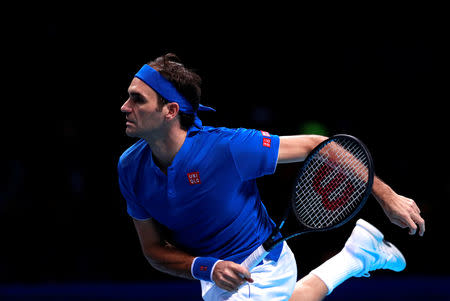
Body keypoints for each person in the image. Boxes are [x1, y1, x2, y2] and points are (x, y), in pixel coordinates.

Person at [117, 53, 425, 301]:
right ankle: (356, 255)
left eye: (137, 99)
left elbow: (315, 145)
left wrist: (387, 196)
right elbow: (154, 250)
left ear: (170, 110)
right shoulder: (130, 168)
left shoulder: (228, 148)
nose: (124, 107)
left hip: (264, 267)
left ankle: (356, 256)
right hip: (219, 276)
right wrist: (207, 268)